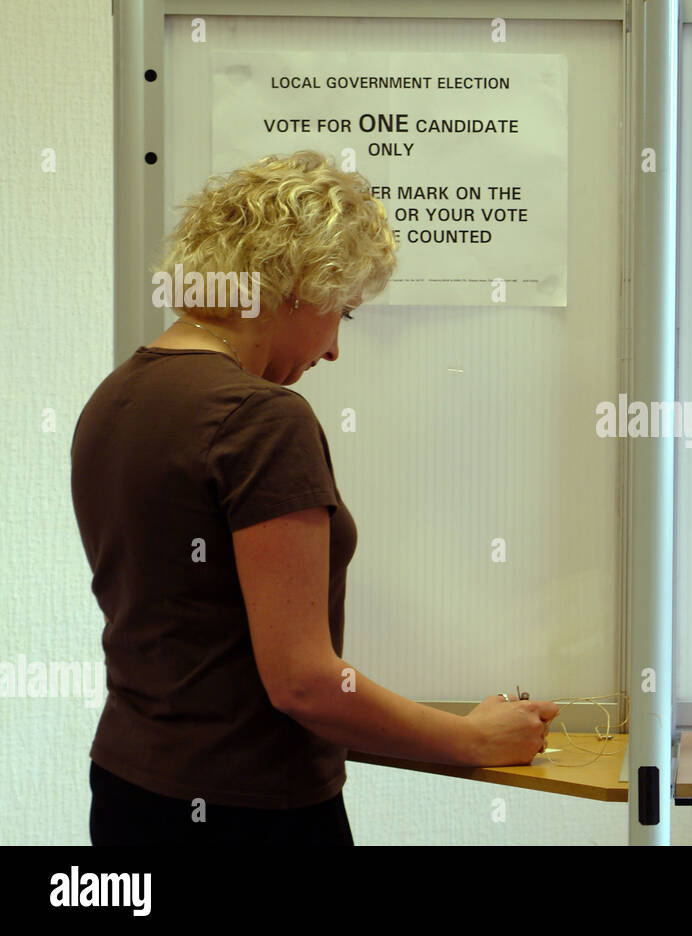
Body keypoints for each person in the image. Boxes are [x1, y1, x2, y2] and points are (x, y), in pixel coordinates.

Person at [71, 151, 558, 845]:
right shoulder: (261, 417)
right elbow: (302, 684)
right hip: (253, 816)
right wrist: (473, 739)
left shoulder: (116, 397)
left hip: (129, 792)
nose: (332, 349)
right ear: (301, 284)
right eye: (344, 313)